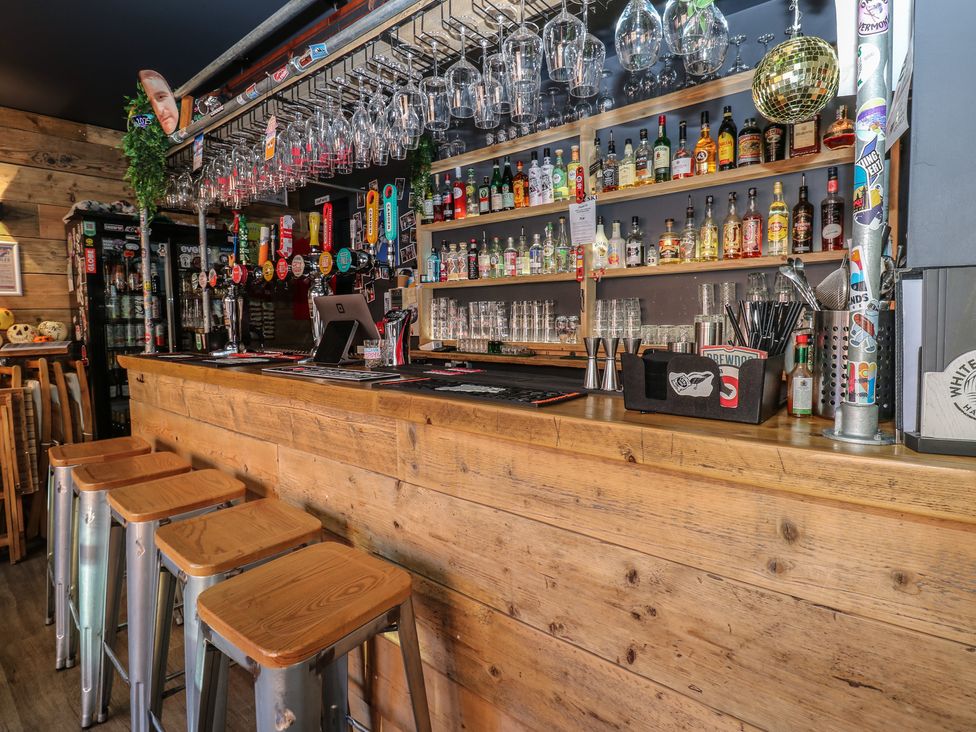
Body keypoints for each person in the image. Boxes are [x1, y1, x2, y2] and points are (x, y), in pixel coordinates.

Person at [138, 69, 179, 134]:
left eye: (161, 97)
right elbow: (134, 125)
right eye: (151, 105)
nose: (160, 110)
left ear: (171, 93)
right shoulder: (152, 125)